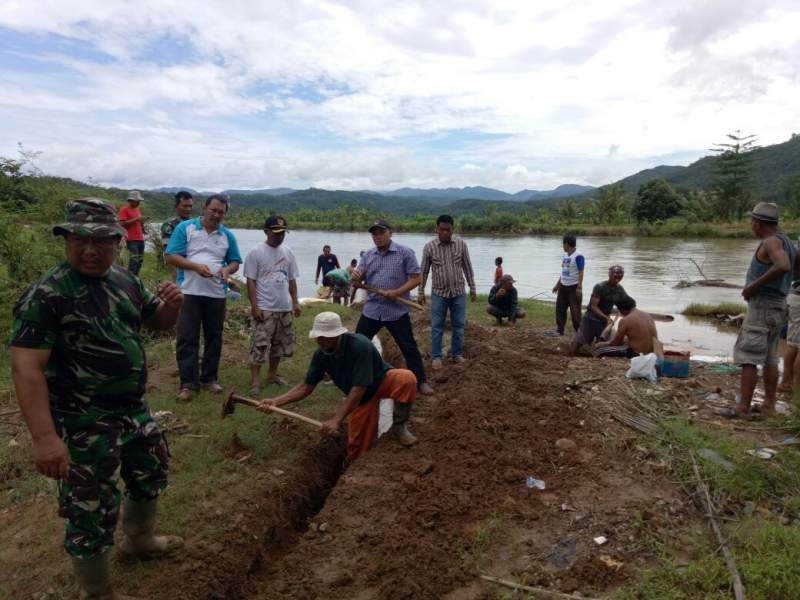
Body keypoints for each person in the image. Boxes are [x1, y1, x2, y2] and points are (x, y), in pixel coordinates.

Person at [10, 199, 184, 599]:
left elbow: (157, 323)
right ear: (66, 240)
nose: (89, 250)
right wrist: (45, 438)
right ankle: (97, 592)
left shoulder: (125, 280)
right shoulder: (48, 294)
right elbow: (26, 367)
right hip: (81, 420)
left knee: (150, 472)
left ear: (118, 242)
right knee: (89, 507)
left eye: (101, 240)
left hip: (133, 411)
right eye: (78, 239)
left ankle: (139, 540)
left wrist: (174, 307)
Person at [258, 312, 418, 460]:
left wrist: (336, 419)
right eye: (318, 337)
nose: (320, 341)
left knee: (406, 378)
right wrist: (277, 401)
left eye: (325, 337)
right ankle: (357, 469)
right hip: (362, 401)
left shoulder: (360, 346)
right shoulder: (321, 355)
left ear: (338, 335)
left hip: (381, 381)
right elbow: (306, 386)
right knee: (358, 448)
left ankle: (399, 426)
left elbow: (359, 388)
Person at [166, 194, 242, 401]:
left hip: (216, 293)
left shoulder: (227, 235)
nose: (216, 215)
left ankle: (209, 379)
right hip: (189, 292)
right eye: (213, 210)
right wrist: (195, 267)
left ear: (225, 214)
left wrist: (227, 270)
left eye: (221, 212)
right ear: (205, 208)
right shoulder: (186, 228)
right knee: (187, 338)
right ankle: (188, 384)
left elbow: (235, 261)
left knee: (214, 337)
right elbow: (171, 256)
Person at [723, 202, 795, 418]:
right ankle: (768, 405)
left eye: (752, 221)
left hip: (763, 305)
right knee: (770, 358)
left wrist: (752, 287)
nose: (751, 225)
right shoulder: (787, 242)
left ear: (757, 223)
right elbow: (793, 267)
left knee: (749, 357)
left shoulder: (771, 241)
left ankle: (742, 408)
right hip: (779, 305)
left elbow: (783, 265)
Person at [351, 218, 434, 395]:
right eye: (375, 234)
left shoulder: (405, 253)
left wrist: (397, 292)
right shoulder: (368, 255)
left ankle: (421, 381)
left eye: (382, 232)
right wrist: (356, 278)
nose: (378, 236)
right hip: (372, 310)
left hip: (396, 312)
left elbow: (416, 278)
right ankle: (349, 375)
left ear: (390, 233)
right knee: (357, 344)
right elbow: (358, 279)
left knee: (408, 347)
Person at [244, 215, 301, 393]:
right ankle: (255, 381)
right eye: (276, 232)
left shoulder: (288, 252)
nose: (280, 236)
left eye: (283, 233)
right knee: (259, 344)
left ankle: (272, 374)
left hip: (284, 307)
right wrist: (255, 306)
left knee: (279, 344)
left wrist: (295, 302)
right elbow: (250, 281)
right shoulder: (256, 252)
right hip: (265, 307)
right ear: (266, 231)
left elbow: (291, 279)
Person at [419, 214, 477, 368]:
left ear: (453, 229)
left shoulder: (461, 245)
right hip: (439, 293)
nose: (445, 232)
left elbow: (467, 267)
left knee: (459, 324)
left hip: (458, 292)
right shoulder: (429, 247)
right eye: (442, 229)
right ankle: (436, 356)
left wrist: (472, 287)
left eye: (448, 230)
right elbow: (423, 271)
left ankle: (456, 355)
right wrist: (420, 291)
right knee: (437, 325)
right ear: (437, 229)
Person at [569, 265, 627, 355]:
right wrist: (606, 318)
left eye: (620, 276)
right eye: (615, 275)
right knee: (579, 342)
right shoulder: (600, 287)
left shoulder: (619, 289)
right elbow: (593, 306)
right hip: (591, 318)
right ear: (610, 275)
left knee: (602, 343)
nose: (618, 278)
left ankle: (595, 356)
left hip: (605, 320)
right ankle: (570, 355)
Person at [593, 296, 657, 357]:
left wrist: (602, 344)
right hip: (652, 353)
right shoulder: (648, 316)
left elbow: (615, 343)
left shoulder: (625, 320)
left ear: (622, 310)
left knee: (599, 350)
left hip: (637, 353)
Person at [551, 233, 584, 336]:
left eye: (563, 244)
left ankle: (580, 333)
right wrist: (557, 285)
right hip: (563, 286)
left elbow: (581, 271)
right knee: (560, 309)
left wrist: (579, 287)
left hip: (574, 287)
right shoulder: (565, 255)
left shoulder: (578, 256)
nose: (562, 247)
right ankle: (560, 330)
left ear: (566, 244)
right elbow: (564, 271)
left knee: (575, 312)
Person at [161, 190, 194, 282]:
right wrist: (174, 274)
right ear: (176, 206)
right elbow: (167, 251)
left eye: (190, 206)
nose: (188, 209)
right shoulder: (169, 225)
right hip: (179, 266)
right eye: (184, 206)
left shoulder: (194, 223)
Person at [117, 190, 148, 276]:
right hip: (131, 239)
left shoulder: (137, 210)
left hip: (140, 238)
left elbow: (138, 222)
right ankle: (130, 277)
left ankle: (136, 278)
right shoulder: (124, 210)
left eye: (139, 201)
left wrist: (142, 224)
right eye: (137, 201)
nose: (139, 203)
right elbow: (122, 223)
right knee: (134, 260)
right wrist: (136, 219)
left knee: (140, 260)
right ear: (130, 200)